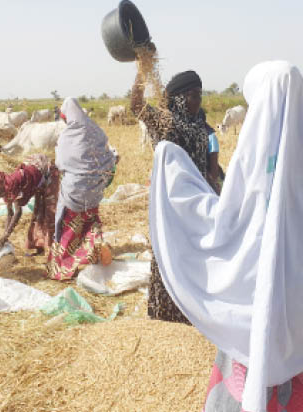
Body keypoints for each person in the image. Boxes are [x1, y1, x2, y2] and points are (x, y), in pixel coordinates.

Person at [150, 61, 303, 412]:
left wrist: (172, 171)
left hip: (253, 305)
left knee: (248, 372)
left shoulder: (254, 158)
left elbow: (227, 224)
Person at [131, 46, 213, 324]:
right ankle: (166, 318)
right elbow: (136, 106)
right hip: (172, 206)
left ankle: (193, 315)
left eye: (200, 95)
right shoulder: (165, 123)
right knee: (169, 256)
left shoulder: (200, 124)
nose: (197, 101)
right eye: (193, 95)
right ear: (179, 97)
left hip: (198, 204)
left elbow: (210, 164)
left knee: (195, 259)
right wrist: (142, 68)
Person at [47, 97, 116, 281]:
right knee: (89, 221)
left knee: (69, 227)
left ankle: (66, 265)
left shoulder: (68, 136)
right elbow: (109, 158)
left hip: (75, 191)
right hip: (95, 190)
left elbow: (61, 164)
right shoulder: (97, 131)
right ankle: (94, 248)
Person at [0, 154, 59, 256]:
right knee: (38, 213)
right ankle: (40, 248)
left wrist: (5, 237)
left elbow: (18, 212)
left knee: (50, 213)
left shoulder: (14, 184)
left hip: (49, 174)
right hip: (37, 181)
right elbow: (10, 213)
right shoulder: (5, 189)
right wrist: (5, 236)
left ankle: (53, 252)